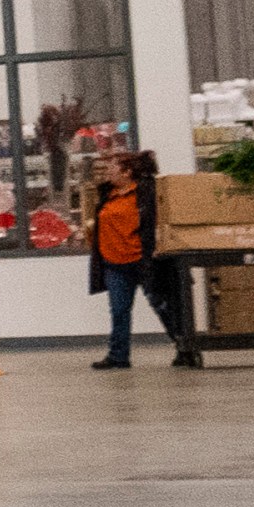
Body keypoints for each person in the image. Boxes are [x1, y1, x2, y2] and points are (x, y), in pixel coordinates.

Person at [87, 150, 173, 369]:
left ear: (127, 172)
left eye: (112, 168)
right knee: (119, 311)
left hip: (141, 260)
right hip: (114, 264)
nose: (107, 171)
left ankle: (184, 346)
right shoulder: (108, 194)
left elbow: (156, 222)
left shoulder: (145, 193)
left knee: (161, 305)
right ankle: (118, 356)